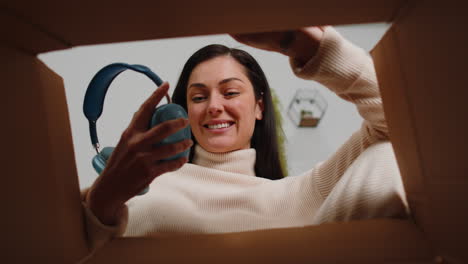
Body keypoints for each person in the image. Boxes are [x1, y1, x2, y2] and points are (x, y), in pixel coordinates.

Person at [82, 26, 409, 249]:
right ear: (182, 116)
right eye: (198, 98)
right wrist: (105, 197)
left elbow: (405, 125)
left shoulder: (303, 194)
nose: (213, 106)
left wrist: (309, 46)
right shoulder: (137, 193)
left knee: (389, 156)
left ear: (259, 107)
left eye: (230, 92)